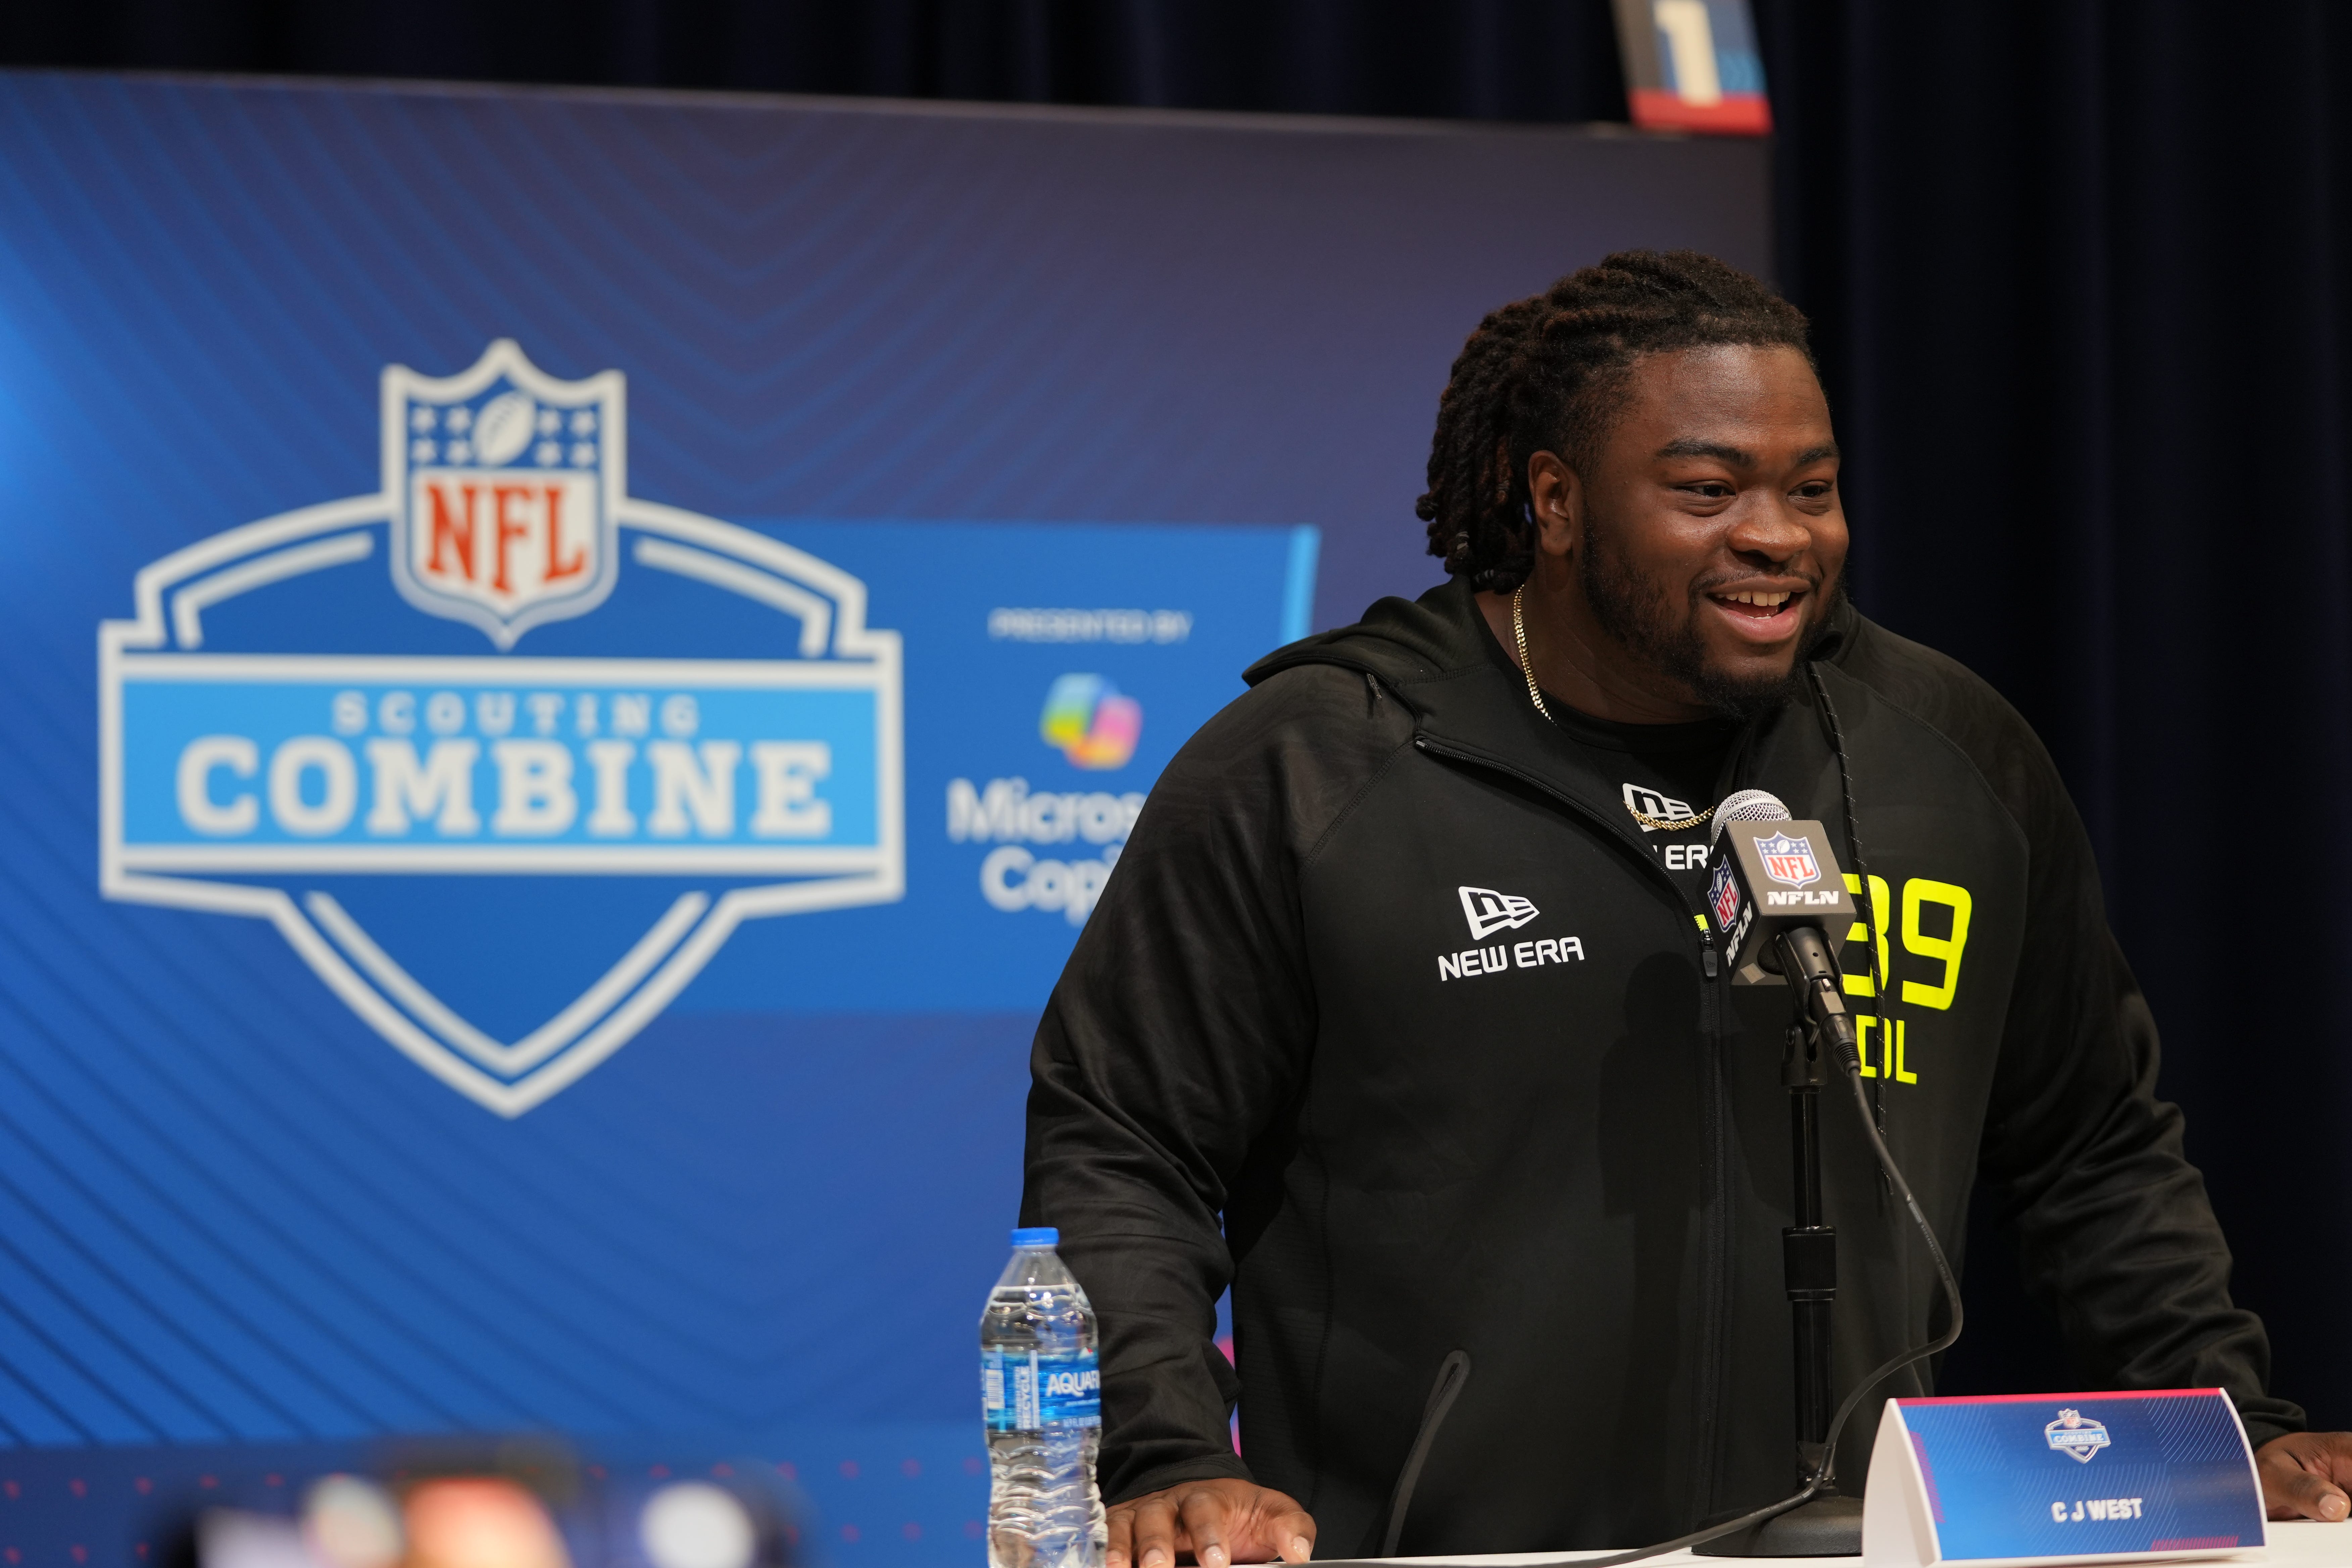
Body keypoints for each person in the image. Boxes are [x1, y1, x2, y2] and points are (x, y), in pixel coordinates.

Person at [1019, 251, 2352, 1564]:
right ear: (1554, 500)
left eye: (1813, 489)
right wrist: (1171, 1454)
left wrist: (2234, 1421)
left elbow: (2093, 1148)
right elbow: (1125, 1140)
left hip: (1850, 1555)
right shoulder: (1315, 766)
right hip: (1438, 1557)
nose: (1778, 533)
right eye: (1709, 489)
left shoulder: (1948, 754)